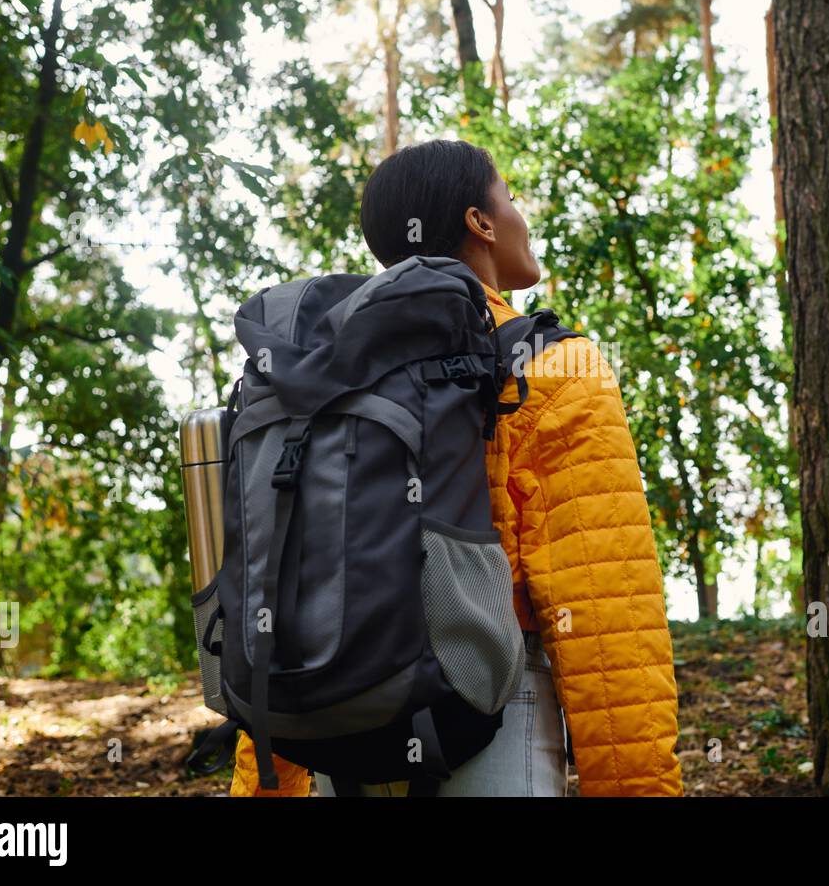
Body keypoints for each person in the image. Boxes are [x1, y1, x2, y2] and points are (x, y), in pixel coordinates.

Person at [229, 139, 683, 797]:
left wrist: (267, 779)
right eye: (510, 198)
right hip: (487, 707)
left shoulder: (324, 375)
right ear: (482, 222)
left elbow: (281, 584)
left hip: (337, 712)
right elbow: (608, 609)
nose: (522, 217)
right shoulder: (553, 368)